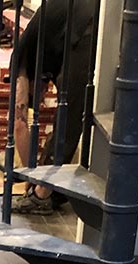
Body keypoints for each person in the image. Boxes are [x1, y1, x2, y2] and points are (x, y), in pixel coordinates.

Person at [15, 0, 96, 213]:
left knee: (69, 114)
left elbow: (19, 125)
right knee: (67, 111)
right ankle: (51, 187)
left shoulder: (20, 70)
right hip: (84, 22)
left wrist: (31, 177)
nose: (41, 98)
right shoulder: (38, 60)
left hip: (87, 25)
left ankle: (42, 195)